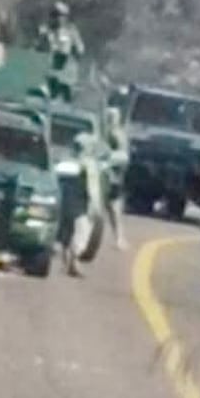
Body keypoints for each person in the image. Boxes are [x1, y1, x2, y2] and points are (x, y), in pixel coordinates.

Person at [62, 133, 104, 277]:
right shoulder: (89, 164)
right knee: (82, 232)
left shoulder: (67, 160)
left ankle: (68, 260)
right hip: (82, 203)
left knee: (68, 232)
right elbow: (92, 187)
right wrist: (95, 204)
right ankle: (74, 263)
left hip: (67, 200)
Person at [35, 1, 85, 97]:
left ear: (65, 17)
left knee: (64, 88)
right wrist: (42, 38)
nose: (58, 18)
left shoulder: (71, 30)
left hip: (65, 67)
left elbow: (80, 48)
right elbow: (38, 48)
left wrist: (76, 55)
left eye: (61, 16)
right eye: (55, 15)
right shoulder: (46, 30)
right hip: (48, 66)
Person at [103, 107, 129, 250]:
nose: (111, 119)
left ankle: (119, 238)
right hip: (104, 175)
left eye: (113, 117)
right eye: (110, 116)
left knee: (114, 210)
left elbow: (123, 156)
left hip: (113, 178)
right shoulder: (103, 133)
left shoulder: (118, 135)